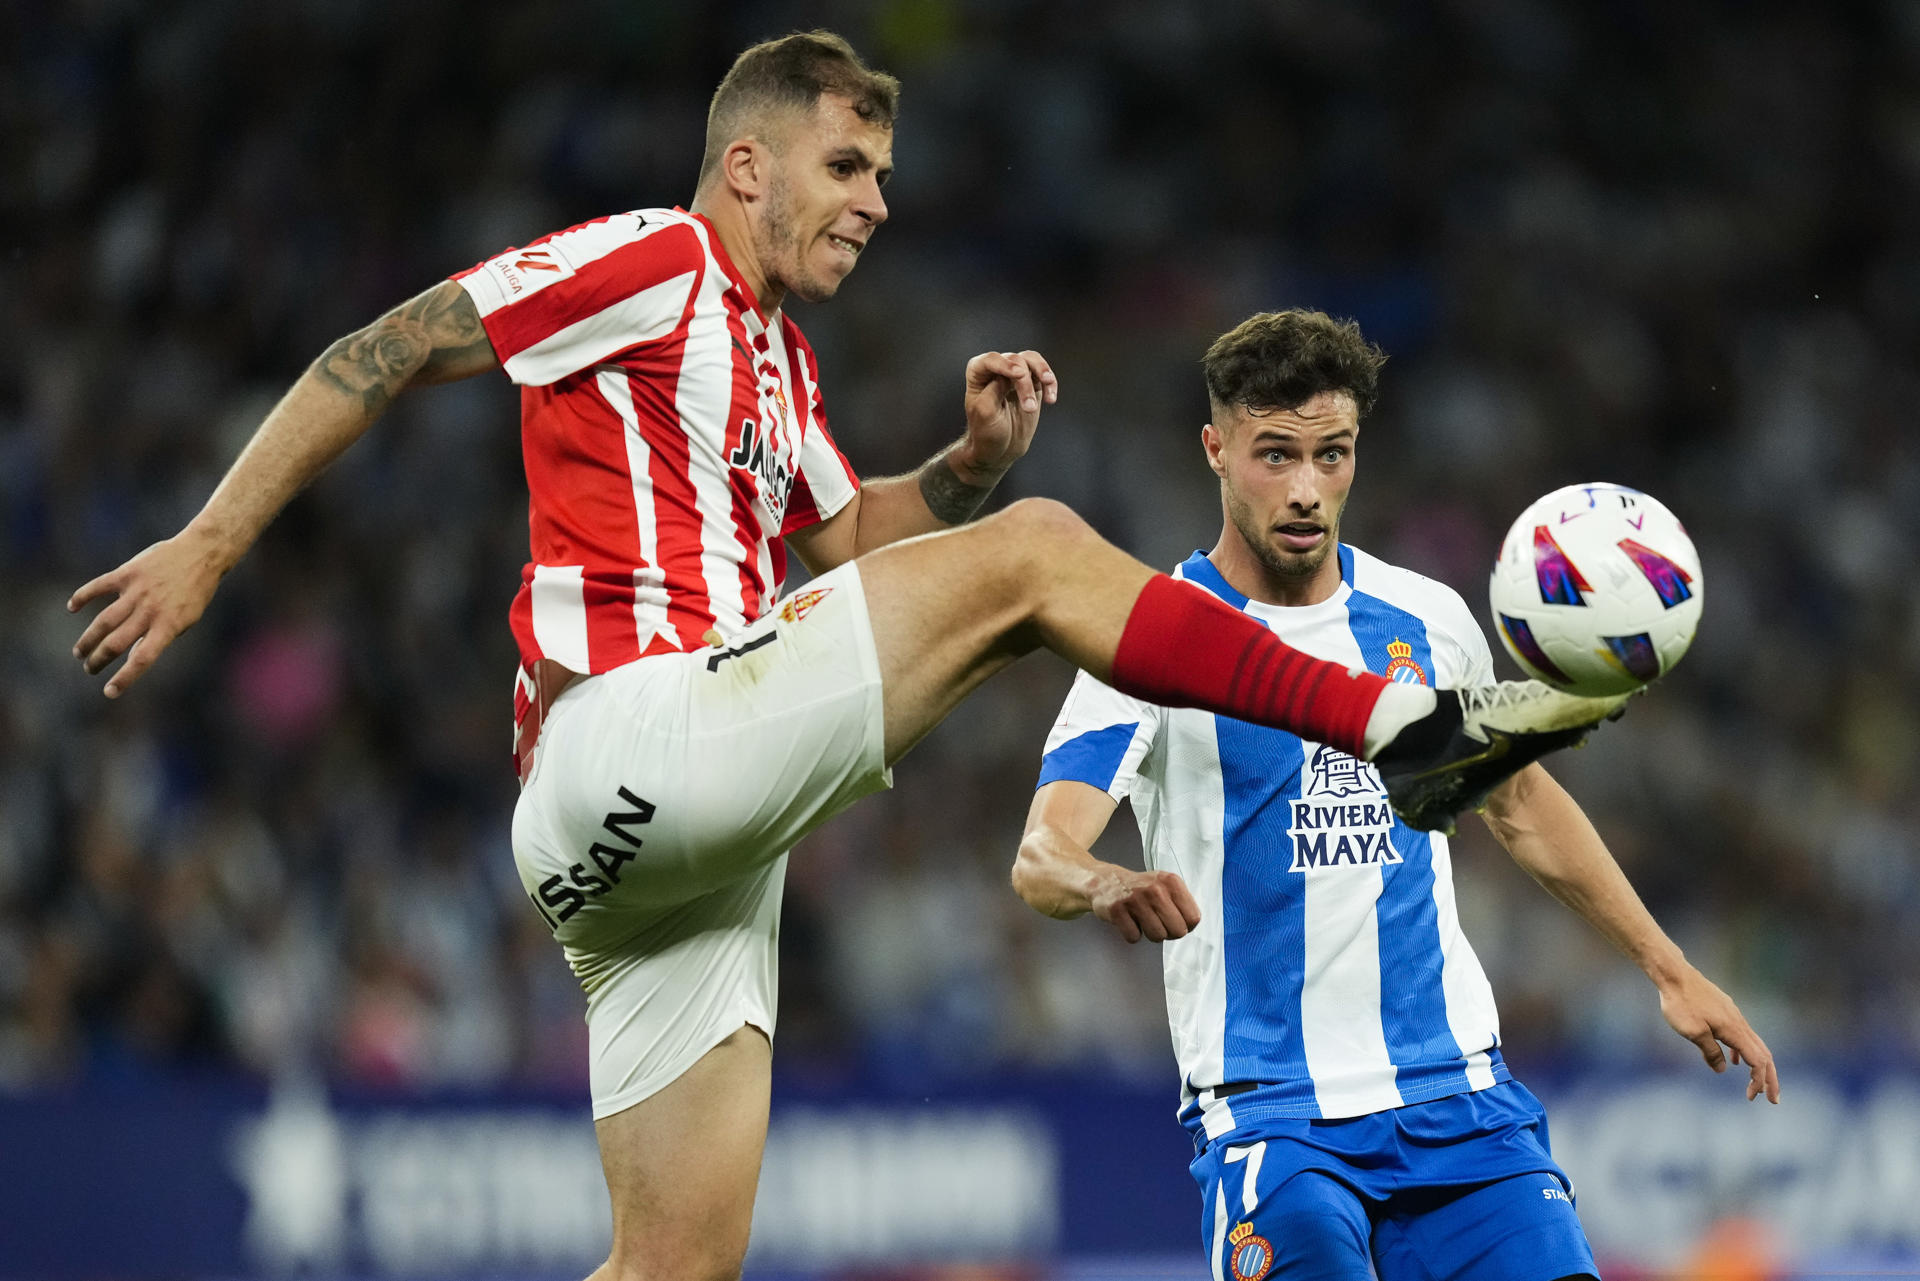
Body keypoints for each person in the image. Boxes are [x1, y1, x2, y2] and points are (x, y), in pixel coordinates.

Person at [68, 33, 1629, 1281]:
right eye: (847, 165)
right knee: (1042, 558)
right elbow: (389, 347)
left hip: (654, 858)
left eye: (882, 172)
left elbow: (852, 542)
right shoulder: (655, 262)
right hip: (635, 736)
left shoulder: (775, 358)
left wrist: (967, 465)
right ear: (745, 166)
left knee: (674, 1263)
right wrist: (208, 543)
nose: (876, 201)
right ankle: (1389, 721)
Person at [1013, 309, 1780, 1281]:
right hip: (1275, 1117)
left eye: (1330, 454)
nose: (1305, 488)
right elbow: (1040, 855)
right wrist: (1103, 882)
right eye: (1275, 454)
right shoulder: (1146, 639)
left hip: (1459, 1100)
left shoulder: (1425, 617)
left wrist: (1668, 968)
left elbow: (1517, 804)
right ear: (1215, 450)